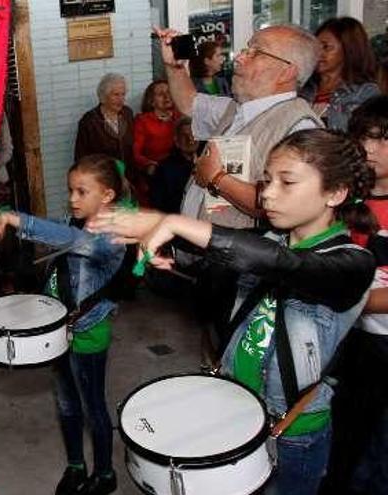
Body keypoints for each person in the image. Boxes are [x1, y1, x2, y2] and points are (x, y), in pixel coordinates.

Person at [95, 129, 376, 495]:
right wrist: (162, 241)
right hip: (235, 408)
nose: (268, 193)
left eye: (286, 182)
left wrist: (176, 223)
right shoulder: (270, 240)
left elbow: (287, 266)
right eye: (267, 180)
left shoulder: (353, 264)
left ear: (335, 193)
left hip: (291, 433)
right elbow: (226, 271)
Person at [0, 154, 127, 495]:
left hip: (88, 331)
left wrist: (17, 219)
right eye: (70, 191)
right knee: (65, 402)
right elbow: (62, 241)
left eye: (82, 192)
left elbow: (70, 241)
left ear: (106, 196)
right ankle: (76, 465)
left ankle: (105, 473)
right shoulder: (74, 221)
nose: (72, 199)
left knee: (94, 407)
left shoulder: (113, 234)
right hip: (58, 329)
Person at [154, 24, 322, 229]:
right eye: (246, 50)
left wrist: (217, 178)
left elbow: (289, 206)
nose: (239, 58)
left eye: (256, 53)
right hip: (201, 251)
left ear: (287, 72)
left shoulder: (299, 127)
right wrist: (175, 67)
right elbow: (189, 102)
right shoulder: (235, 109)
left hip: (239, 257)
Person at [322, 95, 388, 495]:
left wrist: (337, 295)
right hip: (351, 345)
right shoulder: (348, 201)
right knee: (343, 441)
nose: (370, 148)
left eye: (383, 139)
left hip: (383, 347)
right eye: (365, 136)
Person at [300, 17, 380, 132]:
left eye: (326, 47)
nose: (318, 53)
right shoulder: (303, 88)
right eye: (315, 47)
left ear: (349, 49)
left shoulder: (364, 93)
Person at [132, 79, 180, 203]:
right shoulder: (143, 121)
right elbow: (135, 153)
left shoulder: (179, 116)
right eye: (160, 94)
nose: (167, 96)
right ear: (151, 101)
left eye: (169, 92)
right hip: (155, 172)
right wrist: (149, 164)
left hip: (178, 169)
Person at [74, 73, 134, 168]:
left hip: (129, 175)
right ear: (103, 96)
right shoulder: (89, 121)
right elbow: (81, 157)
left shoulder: (127, 113)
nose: (121, 99)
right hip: (103, 176)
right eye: (116, 95)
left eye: (123, 94)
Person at [150, 117, 196, 214]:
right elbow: (158, 205)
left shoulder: (207, 163)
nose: (190, 139)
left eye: (193, 134)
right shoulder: (164, 169)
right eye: (184, 135)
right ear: (176, 141)